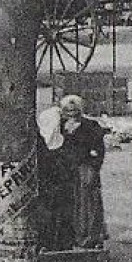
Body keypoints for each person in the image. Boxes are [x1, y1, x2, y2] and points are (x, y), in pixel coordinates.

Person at [49, 95, 106, 248]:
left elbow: (98, 151)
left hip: (83, 170)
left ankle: (88, 237)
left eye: (75, 110)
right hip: (65, 171)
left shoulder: (91, 126)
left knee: (86, 204)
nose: (71, 113)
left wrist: (93, 167)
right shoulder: (57, 126)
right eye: (68, 110)